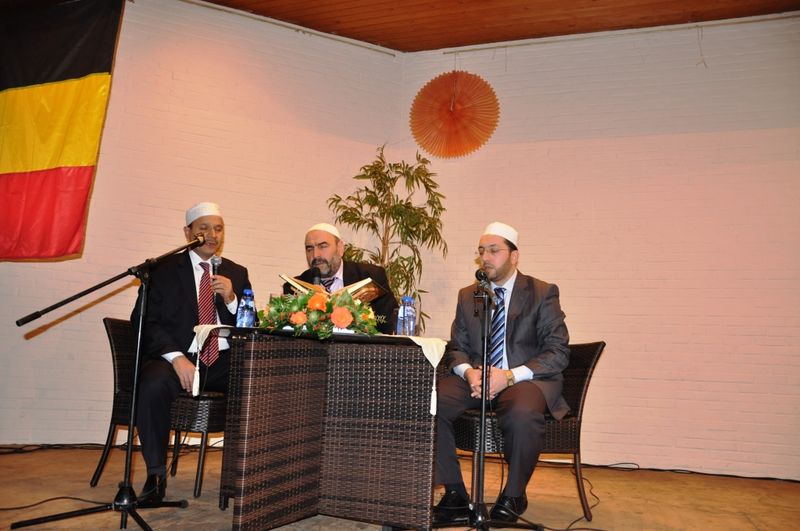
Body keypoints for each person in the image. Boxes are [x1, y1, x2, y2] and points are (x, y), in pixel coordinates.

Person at [433, 221, 570, 524]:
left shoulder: (541, 293)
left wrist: (508, 376)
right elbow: (457, 347)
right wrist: (468, 372)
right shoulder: (471, 295)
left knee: (522, 413)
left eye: (494, 251)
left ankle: (514, 494)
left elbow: (557, 351)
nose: (485, 258)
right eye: (481, 251)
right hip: (478, 378)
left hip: (524, 379)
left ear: (514, 256)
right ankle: (455, 494)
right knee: (431, 403)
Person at [131, 202, 252, 504]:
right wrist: (176, 357)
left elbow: (252, 326)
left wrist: (233, 300)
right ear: (188, 233)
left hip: (222, 360)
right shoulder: (162, 270)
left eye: (218, 229)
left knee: (258, 384)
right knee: (153, 384)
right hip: (178, 358)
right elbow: (145, 321)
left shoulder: (237, 272)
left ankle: (245, 475)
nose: (212, 235)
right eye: (204, 228)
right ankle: (155, 476)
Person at [284, 223, 398, 334]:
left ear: (340, 248)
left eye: (323, 246)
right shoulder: (295, 287)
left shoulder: (370, 277)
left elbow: (389, 324)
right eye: (309, 249)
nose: (315, 255)